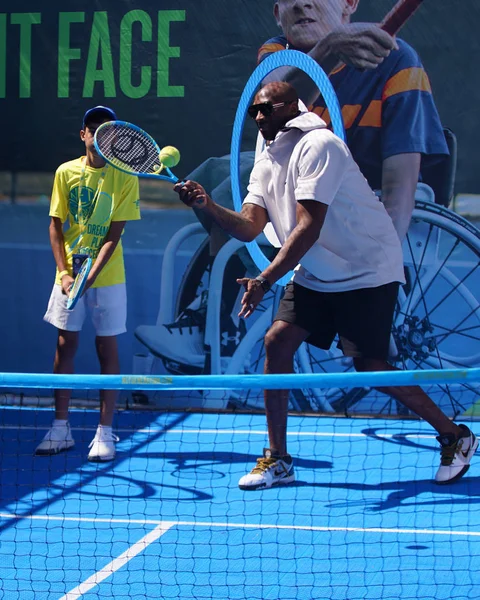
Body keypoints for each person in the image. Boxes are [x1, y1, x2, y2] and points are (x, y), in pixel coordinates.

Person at [173, 81, 477, 490]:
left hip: (366, 269)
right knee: (276, 344)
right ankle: (278, 460)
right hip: (317, 273)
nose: (260, 117)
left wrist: (264, 279)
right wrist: (207, 205)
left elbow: (308, 226)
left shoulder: (320, 145)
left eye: (269, 108)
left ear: (293, 107)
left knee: (371, 365)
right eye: (255, 112)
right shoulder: (267, 160)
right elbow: (249, 226)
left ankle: (455, 435)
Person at [150, 0, 449, 367]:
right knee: (223, 174)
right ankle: (214, 322)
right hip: (299, 193)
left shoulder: (400, 61)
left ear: (349, 3)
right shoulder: (276, 54)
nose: (302, 2)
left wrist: (377, 279)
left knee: (241, 179)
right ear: (278, 13)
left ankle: (216, 320)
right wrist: (329, 48)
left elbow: (399, 182)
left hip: (357, 207)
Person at [35, 106, 141, 462]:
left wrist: (90, 276)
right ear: (83, 134)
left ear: (113, 139)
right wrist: (66, 274)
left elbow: (115, 234)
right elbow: (55, 225)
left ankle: (105, 433)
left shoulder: (125, 177)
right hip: (67, 276)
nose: (97, 135)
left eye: (105, 130)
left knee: (105, 349)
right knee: (65, 346)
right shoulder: (65, 172)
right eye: (92, 129)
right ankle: (60, 428)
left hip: (107, 276)